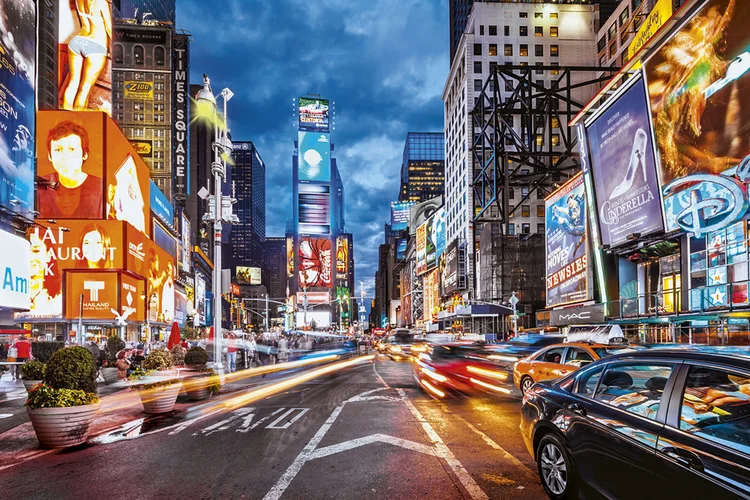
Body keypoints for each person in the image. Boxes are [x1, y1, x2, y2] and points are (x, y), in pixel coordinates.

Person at [37, 120, 103, 218]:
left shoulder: (100, 189)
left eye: (72, 149)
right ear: (50, 156)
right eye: (58, 150)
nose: (65, 157)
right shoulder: (41, 187)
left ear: (84, 154)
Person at [60, 0, 112, 111]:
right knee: (85, 89)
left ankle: (64, 118)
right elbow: (109, 29)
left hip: (78, 40)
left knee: (72, 83)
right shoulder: (101, 2)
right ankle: (78, 124)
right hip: (96, 44)